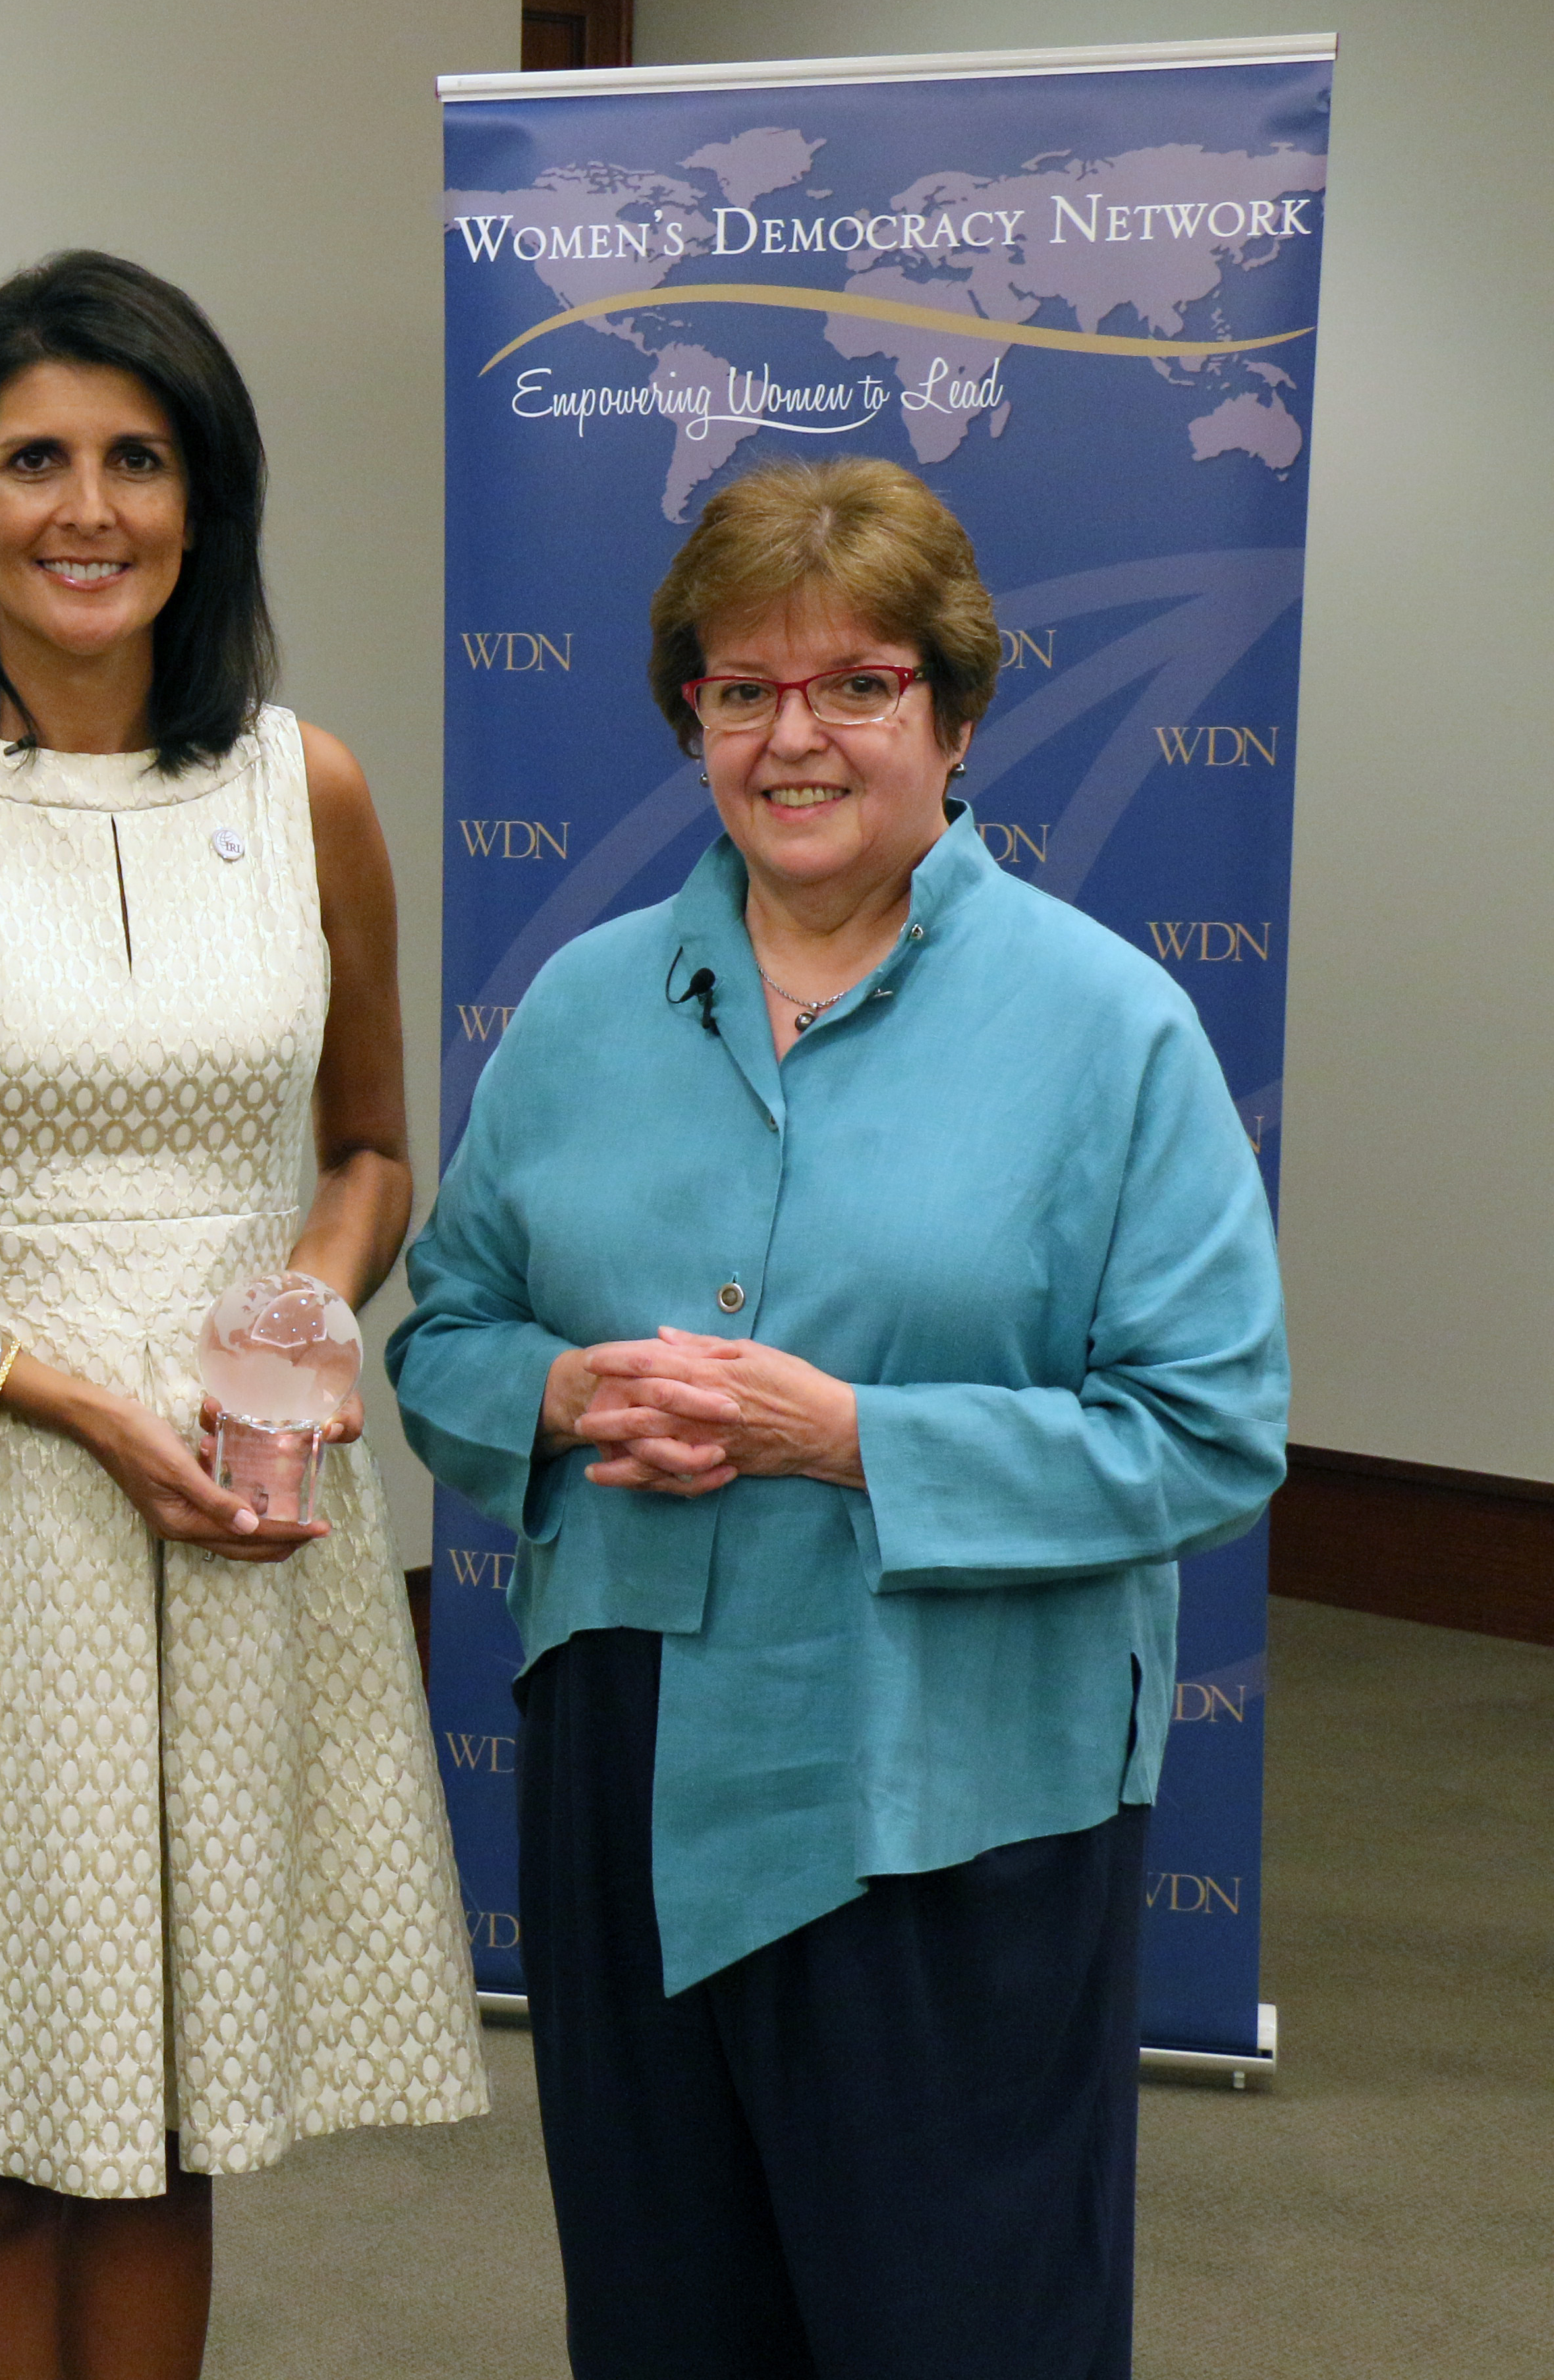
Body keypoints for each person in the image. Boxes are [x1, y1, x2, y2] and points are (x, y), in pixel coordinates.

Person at [387, 455, 1289, 2380]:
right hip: (625, 1771)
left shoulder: (1109, 1027)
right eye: (742, 689)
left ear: (954, 718)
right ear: (691, 717)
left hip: (957, 1789)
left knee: (957, 2327)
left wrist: (858, 1436)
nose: (796, 737)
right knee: (666, 2322)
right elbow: (442, 1330)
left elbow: (1211, 1432)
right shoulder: (580, 1010)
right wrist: (549, 1393)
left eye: (857, 685)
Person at [0, 249, 487, 2380]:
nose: (88, 507)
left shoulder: (302, 787)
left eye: (138, 458)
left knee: (164, 2124)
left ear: (204, 496)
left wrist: (300, 1328)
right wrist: (58, 1394)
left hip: (238, 1513)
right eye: (35, 457)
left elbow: (376, 1148)